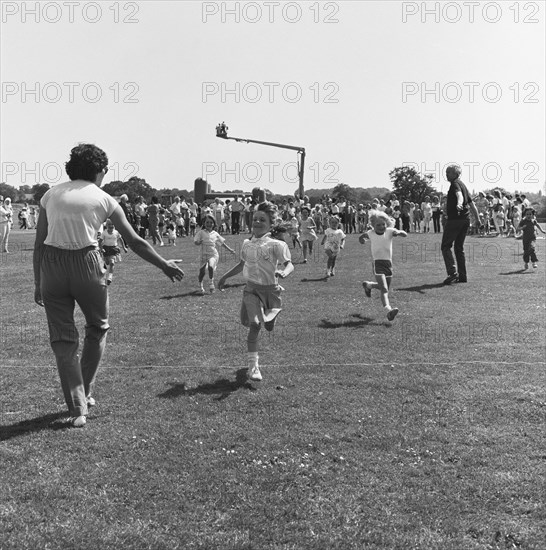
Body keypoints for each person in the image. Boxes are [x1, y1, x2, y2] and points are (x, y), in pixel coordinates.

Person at [33, 144, 184, 428]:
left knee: (63, 340)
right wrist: (164, 264)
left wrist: (38, 281)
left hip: (51, 266)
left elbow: (39, 244)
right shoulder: (104, 199)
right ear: (99, 170)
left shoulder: (49, 195)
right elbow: (135, 241)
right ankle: (85, 392)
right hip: (87, 265)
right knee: (98, 327)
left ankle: (77, 407)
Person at [218, 202, 293, 382]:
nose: (257, 222)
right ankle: (253, 367)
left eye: (262, 219)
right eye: (255, 219)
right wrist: (224, 277)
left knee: (268, 326)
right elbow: (242, 264)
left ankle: (272, 316)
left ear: (271, 224)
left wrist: (284, 272)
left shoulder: (277, 245)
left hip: (271, 291)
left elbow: (289, 264)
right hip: (251, 290)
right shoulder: (246, 244)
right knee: (255, 325)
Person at [360, 210, 407, 321]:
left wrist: (399, 232)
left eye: (383, 224)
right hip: (377, 263)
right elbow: (361, 237)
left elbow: (405, 234)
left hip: (388, 264)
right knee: (384, 289)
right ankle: (389, 310)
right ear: (372, 225)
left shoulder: (390, 231)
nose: (381, 227)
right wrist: (362, 240)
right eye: (378, 225)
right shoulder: (370, 233)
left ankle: (369, 285)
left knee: (384, 287)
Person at [441, 165, 481, 285]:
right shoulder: (463, 185)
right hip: (465, 220)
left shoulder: (455, 184)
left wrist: (459, 204)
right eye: (446, 172)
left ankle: (452, 273)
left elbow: (459, 196)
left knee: (446, 246)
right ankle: (462, 276)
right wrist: (478, 219)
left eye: (449, 172)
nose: (446, 174)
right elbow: (472, 204)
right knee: (459, 248)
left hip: (455, 220)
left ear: (455, 174)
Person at [194, 214, 236, 294]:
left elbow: (222, 243)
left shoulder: (215, 234)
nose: (209, 224)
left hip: (213, 254)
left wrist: (230, 250)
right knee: (202, 272)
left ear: (214, 224)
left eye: (211, 222)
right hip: (203, 255)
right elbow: (196, 241)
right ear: (204, 223)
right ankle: (200, 285)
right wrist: (198, 242)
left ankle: (211, 284)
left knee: (210, 266)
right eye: (207, 222)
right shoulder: (201, 233)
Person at [99, 218, 128, 285]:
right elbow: (99, 242)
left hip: (114, 249)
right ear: (106, 225)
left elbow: (121, 240)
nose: (111, 226)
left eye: (112, 224)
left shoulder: (116, 232)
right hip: (106, 249)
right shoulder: (104, 233)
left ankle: (110, 277)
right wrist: (101, 249)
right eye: (109, 224)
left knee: (112, 263)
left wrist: (124, 248)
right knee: (107, 263)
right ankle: (104, 275)